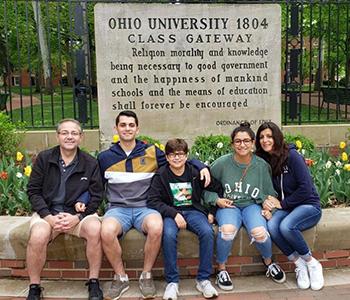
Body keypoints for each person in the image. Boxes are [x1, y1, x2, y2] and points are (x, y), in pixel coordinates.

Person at [98, 111, 210, 300]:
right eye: (123, 125)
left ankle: (146, 275)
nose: (127, 128)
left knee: (157, 227)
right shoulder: (105, 157)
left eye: (131, 125)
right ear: (116, 128)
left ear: (137, 128)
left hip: (146, 207)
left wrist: (201, 165)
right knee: (106, 231)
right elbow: (96, 185)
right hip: (118, 208)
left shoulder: (150, 152)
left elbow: (176, 157)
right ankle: (121, 277)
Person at [26, 119, 104, 300]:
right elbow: (33, 191)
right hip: (48, 213)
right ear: (58, 136)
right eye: (65, 133)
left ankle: (93, 282)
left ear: (81, 137)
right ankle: (35, 286)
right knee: (37, 236)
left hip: (77, 216)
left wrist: (79, 216)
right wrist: (48, 217)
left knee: (95, 229)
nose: (69, 137)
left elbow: (97, 195)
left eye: (74, 133)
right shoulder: (44, 159)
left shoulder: (90, 162)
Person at [203, 122, 286, 291]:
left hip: (251, 206)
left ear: (253, 142)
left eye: (247, 141)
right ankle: (221, 269)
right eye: (238, 141)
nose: (242, 145)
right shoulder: (221, 164)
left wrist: (269, 206)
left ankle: (269, 263)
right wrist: (216, 200)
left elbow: (270, 193)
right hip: (229, 206)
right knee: (226, 231)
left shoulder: (261, 165)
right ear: (232, 144)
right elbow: (203, 189)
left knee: (260, 233)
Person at [147, 138, 222, 300]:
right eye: (172, 155)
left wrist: (212, 211)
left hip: (193, 211)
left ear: (186, 156)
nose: (176, 158)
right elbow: (153, 200)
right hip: (171, 213)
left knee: (207, 232)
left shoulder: (195, 173)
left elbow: (217, 188)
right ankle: (172, 282)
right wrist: (174, 214)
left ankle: (203, 279)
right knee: (167, 235)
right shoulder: (161, 175)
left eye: (180, 154)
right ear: (166, 157)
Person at [255, 121, 324, 291]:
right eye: (262, 137)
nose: (265, 140)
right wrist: (266, 203)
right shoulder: (264, 160)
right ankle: (298, 263)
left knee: (286, 226)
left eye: (269, 136)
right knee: (271, 226)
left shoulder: (292, 156)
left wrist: (283, 203)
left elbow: (306, 189)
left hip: (308, 205)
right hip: (285, 208)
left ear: (277, 137)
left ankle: (312, 263)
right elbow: (261, 186)